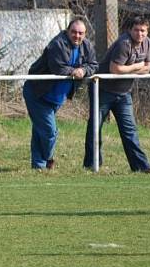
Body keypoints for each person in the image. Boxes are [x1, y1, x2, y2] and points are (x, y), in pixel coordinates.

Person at [84, 16, 150, 174]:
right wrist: (138, 66)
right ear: (130, 30)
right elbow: (115, 70)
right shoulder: (124, 43)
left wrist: (134, 68)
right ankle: (92, 165)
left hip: (123, 93)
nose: (140, 33)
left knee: (129, 130)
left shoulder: (147, 43)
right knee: (95, 127)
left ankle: (141, 167)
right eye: (136, 30)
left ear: (147, 32)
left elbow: (147, 68)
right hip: (102, 89)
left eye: (143, 30)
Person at [23, 18, 98, 170]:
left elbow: (93, 65)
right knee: (50, 132)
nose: (77, 36)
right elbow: (58, 68)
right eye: (74, 32)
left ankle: (38, 166)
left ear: (85, 34)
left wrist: (83, 70)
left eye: (81, 33)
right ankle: (48, 159)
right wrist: (74, 71)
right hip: (37, 94)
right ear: (67, 31)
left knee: (40, 131)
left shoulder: (86, 45)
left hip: (57, 98)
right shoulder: (57, 44)